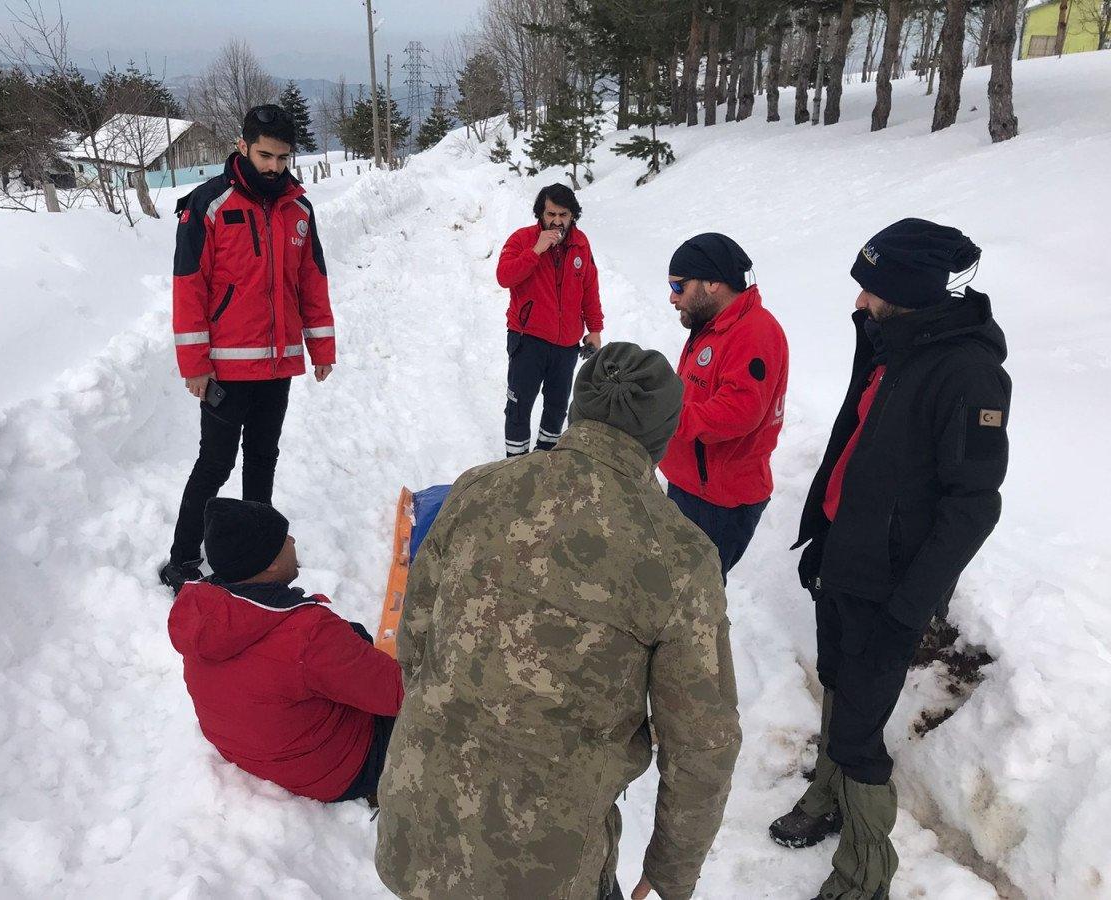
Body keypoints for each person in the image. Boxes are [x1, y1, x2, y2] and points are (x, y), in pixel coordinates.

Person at [375, 343, 741, 900]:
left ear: (576, 409)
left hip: (415, 823)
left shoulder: (477, 489)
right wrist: (671, 872)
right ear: (663, 439)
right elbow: (703, 743)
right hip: (544, 867)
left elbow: (414, 642)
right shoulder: (680, 557)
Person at [770, 219, 1011, 900]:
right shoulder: (893, 347)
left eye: (870, 286)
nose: (858, 300)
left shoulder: (967, 374)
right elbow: (859, 446)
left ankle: (864, 874)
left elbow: (974, 506)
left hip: (891, 588)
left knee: (859, 728)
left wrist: (910, 604)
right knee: (838, 683)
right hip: (845, 560)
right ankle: (826, 797)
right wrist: (822, 531)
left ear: (905, 290)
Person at [160, 104, 335, 593]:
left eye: (283, 157)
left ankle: (258, 557)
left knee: (263, 460)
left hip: (277, 365)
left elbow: (311, 281)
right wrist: (194, 365)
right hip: (225, 371)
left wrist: (320, 346)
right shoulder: (207, 205)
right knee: (214, 465)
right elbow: (188, 287)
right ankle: (182, 558)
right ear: (242, 146)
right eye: (265, 155)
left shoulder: (299, 208)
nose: (274, 167)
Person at [168, 498, 403, 803]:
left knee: (352, 637)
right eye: (285, 540)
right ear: (271, 564)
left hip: (254, 748)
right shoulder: (308, 632)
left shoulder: (203, 612)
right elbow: (400, 693)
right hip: (335, 771)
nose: (292, 540)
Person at [659, 233, 789, 579]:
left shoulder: (754, 333)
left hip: (718, 502)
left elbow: (738, 414)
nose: (672, 297)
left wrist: (663, 414)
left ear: (713, 282)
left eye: (678, 285)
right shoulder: (712, 325)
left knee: (689, 603)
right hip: (691, 485)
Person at [496, 183, 603, 457]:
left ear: (572, 215)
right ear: (540, 214)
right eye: (551, 214)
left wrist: (595, 329)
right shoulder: (521, 239)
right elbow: (504, 276)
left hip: (566, 344)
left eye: (563, 215)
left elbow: (589, 288)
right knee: (520, 406)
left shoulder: (581, 244)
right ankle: (517, 465)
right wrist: (536, 251)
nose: (557, 221)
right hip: (527, 339)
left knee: (556, 408)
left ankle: (545, 461)